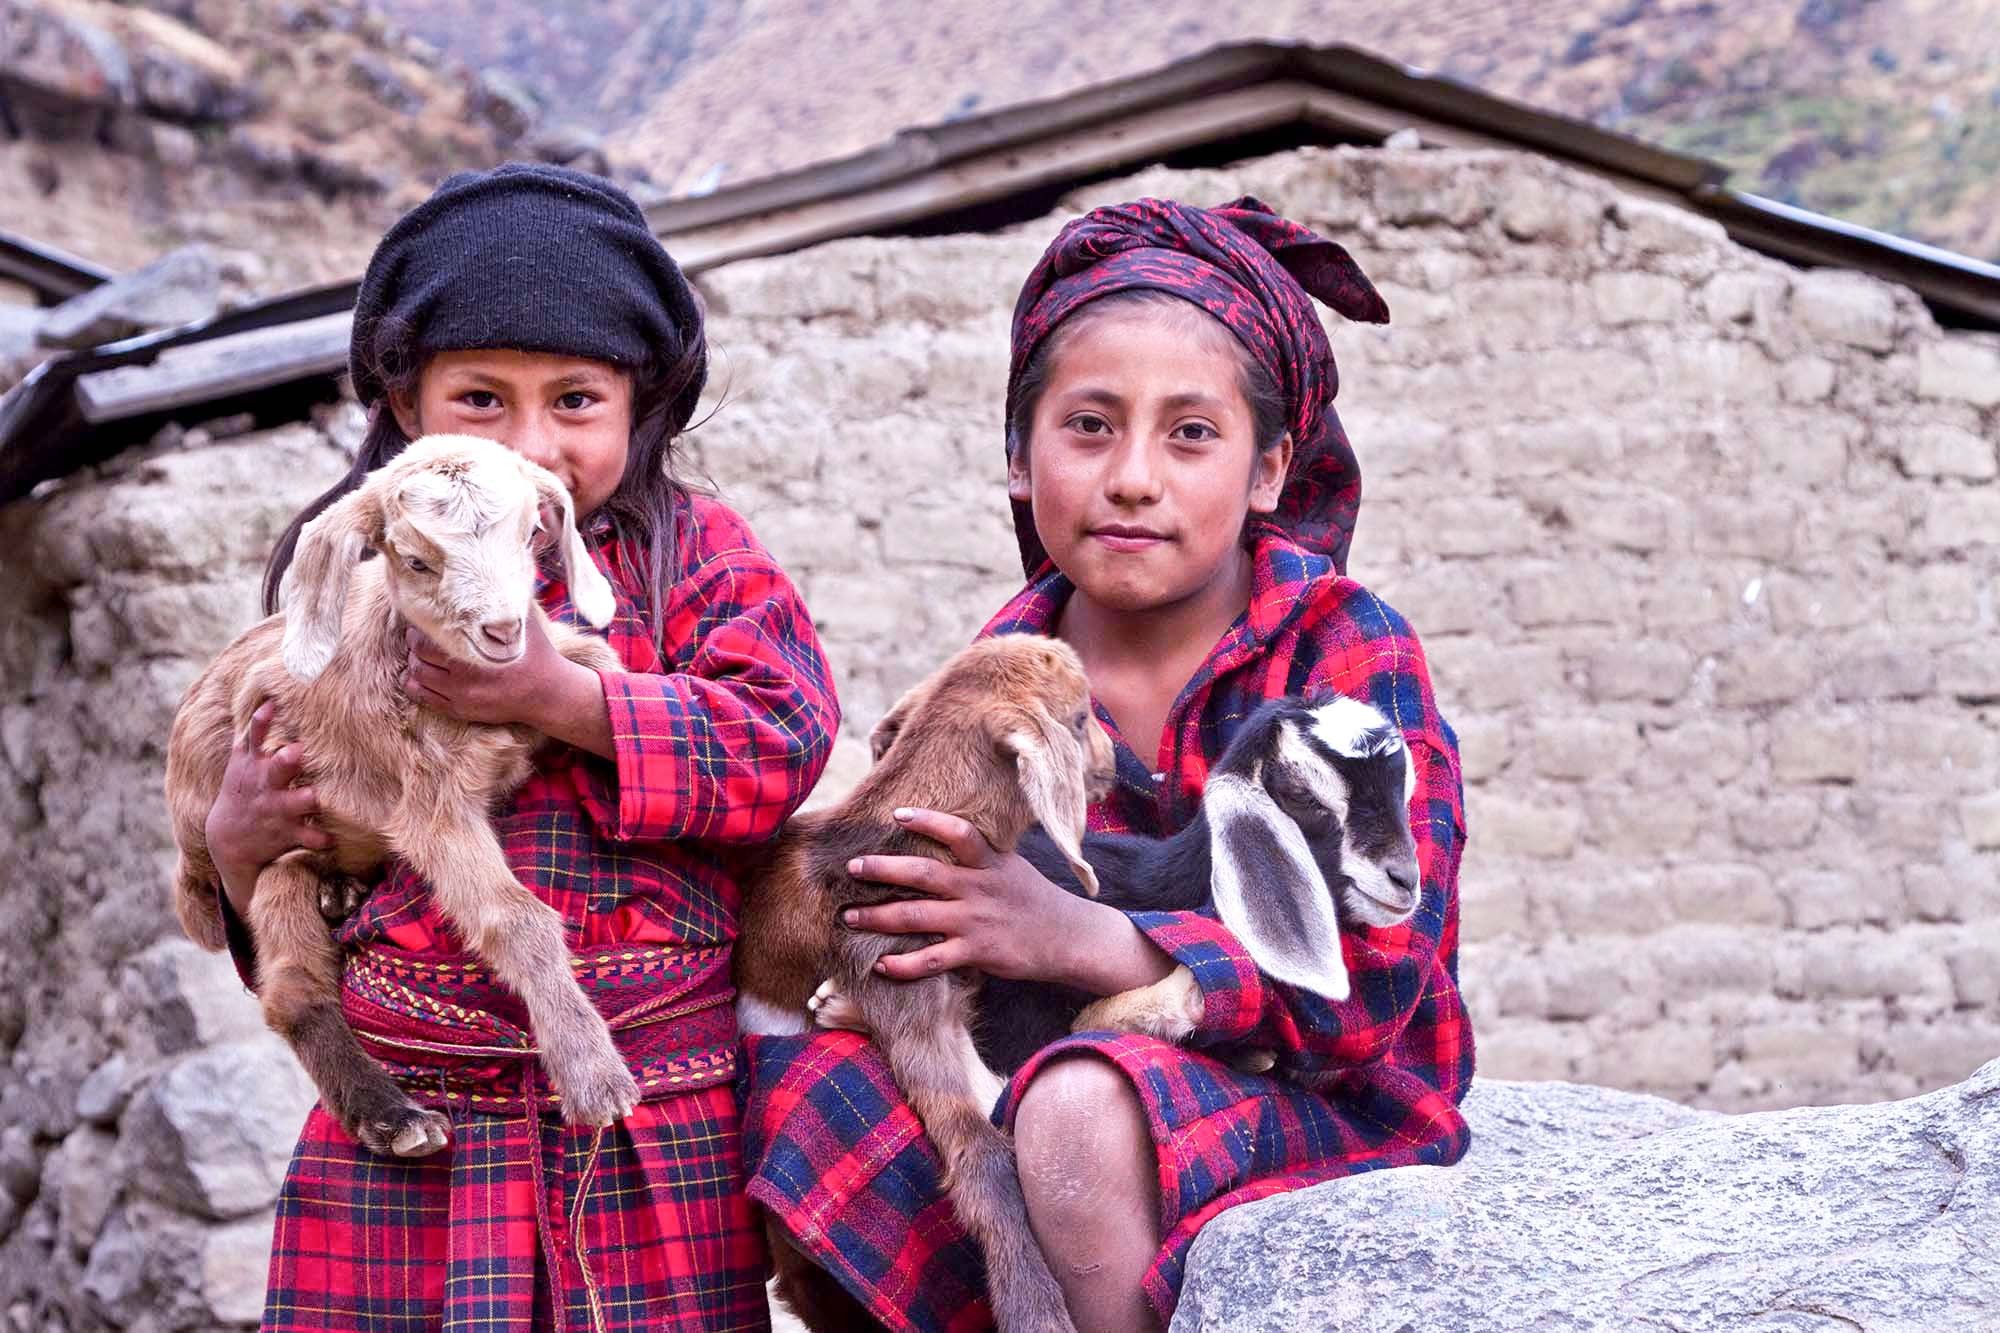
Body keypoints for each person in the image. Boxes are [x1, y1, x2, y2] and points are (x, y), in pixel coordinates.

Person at [740, 196, 1474, 1333]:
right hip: (1043, 1089)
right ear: (1021, 462)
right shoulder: (996, 684)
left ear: (1270, 469)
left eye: (1190, 433)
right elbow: (921, 910)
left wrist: (1077, 937)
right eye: (1088, 427)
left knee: (1079, 1107)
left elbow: (1373, 980)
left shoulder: (1344, 648)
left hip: (1316, 1094)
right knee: (806, 1089)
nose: (1133, 477)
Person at [201, 163, 839, 1331]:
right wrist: (239, 850)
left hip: (651, 1118)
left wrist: (563, 699)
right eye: (481, 399)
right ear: (404, 403)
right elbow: (317, 870)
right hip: (406, 1137)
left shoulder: (692, 560)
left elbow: (779, 743)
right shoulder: (347, 568)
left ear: (641, 403)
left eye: (576, 402)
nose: (533, 442)